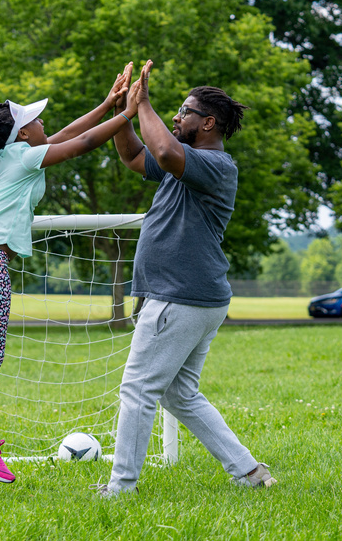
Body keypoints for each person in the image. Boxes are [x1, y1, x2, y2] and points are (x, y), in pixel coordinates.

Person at [0, 63, 137, 484]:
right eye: (33, 119)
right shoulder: (26, 156)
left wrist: (109, 103)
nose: (41, 122)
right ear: (22, 134)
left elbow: (68, 135)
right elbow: (82, 142)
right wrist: (128, 114)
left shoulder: (9, 156)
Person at [96, 60, 276, 496]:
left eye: (184, 111)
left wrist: (145, 103)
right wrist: (123, 111)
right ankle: (251, 473)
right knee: (180, 395)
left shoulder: (216, 165)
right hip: (194, 299)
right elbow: (135, 155)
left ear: (208, 122)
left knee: (137, 389)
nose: (176, 118)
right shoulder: (186, 162)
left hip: (180, 298)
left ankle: (120, 488)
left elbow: (163, 151)